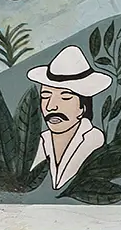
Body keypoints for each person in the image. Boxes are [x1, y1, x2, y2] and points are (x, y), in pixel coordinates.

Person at [27, 45, 113, 190]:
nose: (51, 106)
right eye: (45, 96)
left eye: (65, 97)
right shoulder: (40, 141)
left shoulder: (94, 140)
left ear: (83, 107)